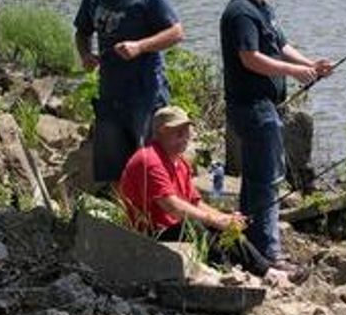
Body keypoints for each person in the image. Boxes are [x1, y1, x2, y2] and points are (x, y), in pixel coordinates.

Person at [220, 0, 332, 266]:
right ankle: (268, 253)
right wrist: (293, 72)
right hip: (252, 108)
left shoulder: (262, 10)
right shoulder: (241, 12)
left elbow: (280, 47)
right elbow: (250, 58)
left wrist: (311, 64)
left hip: (267, 107)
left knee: (260, 178)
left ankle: (246, 247)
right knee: (266, 181)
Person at [119, 106, 300, 285]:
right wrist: (213, 220)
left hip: (176, 228)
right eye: (178, 133)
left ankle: (267, 270)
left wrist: (225, 218)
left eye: (186, 132)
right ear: (161, 132)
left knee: (224, 227)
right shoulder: (149, 159)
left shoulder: (180, 163)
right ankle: (228, 274)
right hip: (150, 235)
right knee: (200, 226)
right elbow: (172, 207)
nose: (185, 138)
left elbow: (195, 203)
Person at [74, 0, 184, 184]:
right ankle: (124, 216)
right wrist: (85, 54)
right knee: (114, 168)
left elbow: (177, 33)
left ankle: (155, 219)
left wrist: (141, 46)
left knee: (149, 162)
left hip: (145, 92)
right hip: (111, 92)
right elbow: (82, 31)